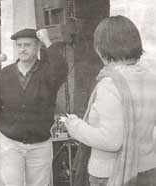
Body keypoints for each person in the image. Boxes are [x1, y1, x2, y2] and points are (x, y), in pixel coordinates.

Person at [64, 15, 156, 186]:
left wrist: (75, 126)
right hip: (147, 171)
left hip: (112, 175)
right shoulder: (151, 78)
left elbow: (111, 141)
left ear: (101, 47)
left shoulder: (110, 84)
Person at [0, 28, 68, 186]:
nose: (22, 49)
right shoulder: (4, 74)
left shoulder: (48, 72)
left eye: (27, 45)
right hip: (10, 142)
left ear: (37, 47)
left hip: (40, 143)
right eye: (19, 45)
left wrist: (48, 41)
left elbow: (62, 69)